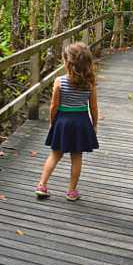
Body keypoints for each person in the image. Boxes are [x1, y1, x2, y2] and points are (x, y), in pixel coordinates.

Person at [35, 42, 99, 201]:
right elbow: (94, 107)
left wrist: (52, 122)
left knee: (55, 154)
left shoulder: (59, 81)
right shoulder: (89, 83)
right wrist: (95, 124)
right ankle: (71, 191)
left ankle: (42, 185)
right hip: (81, 122)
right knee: (77, 157)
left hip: (63, 121)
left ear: (67, 63)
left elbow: (54, 106)